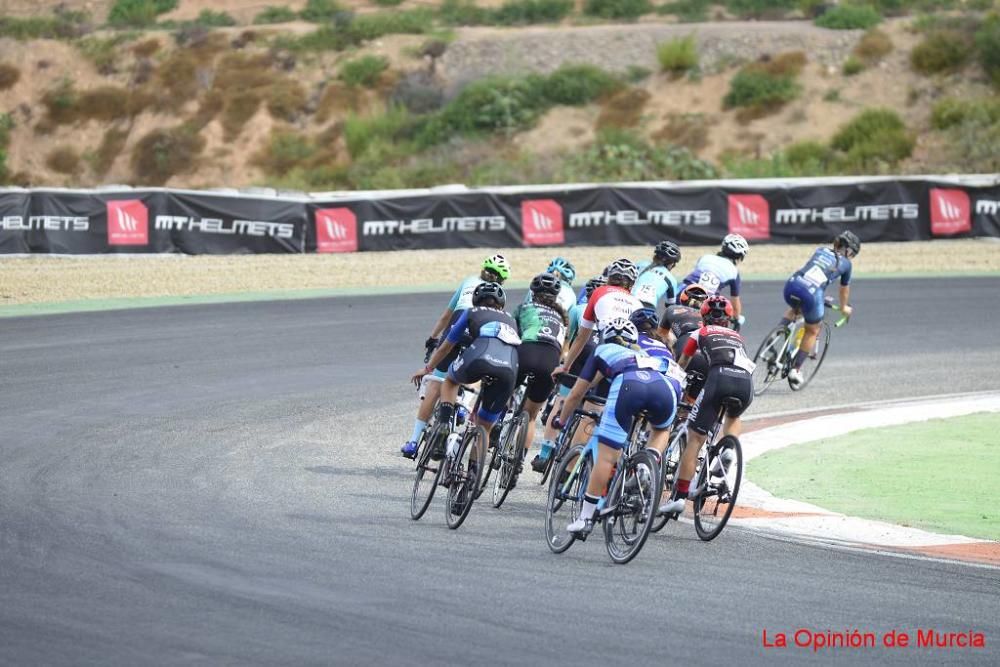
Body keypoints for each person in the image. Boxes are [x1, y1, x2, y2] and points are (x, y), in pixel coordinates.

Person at [556, 319, 683, 536]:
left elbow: (577, 393)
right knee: (661, 430)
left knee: (607, 457)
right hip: (668, 388)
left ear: (606, 336)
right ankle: (646, 464)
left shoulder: (602, 349)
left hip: (629, 385)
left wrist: (560, 421)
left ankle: (585, 518)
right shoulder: (644, 352)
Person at [401, 254, 511, 458]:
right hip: (481, 334)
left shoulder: (468, 281)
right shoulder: (500, 294)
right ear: (502, 279)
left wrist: (433, 337)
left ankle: (414, 441)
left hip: (457, 323)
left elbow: (446, 315)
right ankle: (464, 404)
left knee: (436, 382)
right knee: (478, 366)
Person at [410, 283, 520, 474]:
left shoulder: (470, 312)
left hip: (481, 357)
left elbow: (445, 346)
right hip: (509, 369)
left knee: (451, 380)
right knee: (483, 428)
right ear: (501, 304)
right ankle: (471, 477)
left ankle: (444, 424)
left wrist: (428, 368)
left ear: (476, 300)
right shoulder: (511, 320)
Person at [660, 295, 754, 517]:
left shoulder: (699, 332)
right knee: (732, 415)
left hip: (719, 379)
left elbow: (682, 364)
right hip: (745, 383)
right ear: (728, 320)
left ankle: (680, 497)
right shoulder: (738, 337)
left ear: (703, 317)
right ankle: (729, 448)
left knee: (695, 438)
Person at [532, 274, 605, 472]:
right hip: (600, 357)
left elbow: (566, 340)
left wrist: (563, 363)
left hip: (580, 355)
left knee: (562, 401)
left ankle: (545, 454)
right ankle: (571, 467)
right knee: (589, 413)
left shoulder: (577, 309)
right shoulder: (611, 312)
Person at [779, 231, 859, 388]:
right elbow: (844, 290)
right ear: (848, 251)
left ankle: (778, 339)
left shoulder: (820, 250)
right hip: (812, 293)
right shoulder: (847, 264)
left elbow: (815, 272)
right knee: (813, 330)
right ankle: (795, 370)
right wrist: (843, 307)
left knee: (795, 309)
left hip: (792, 284)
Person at [510, 273, 568, 478]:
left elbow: (512, 336)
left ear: (532, 292)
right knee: (532, 416)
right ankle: (518, 461)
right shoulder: (563, 317)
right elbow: (563, 351)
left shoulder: (524, 308)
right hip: (550, 362)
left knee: (501, 393)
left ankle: (498, 423)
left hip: (526, 352)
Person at [678, 234, 748, 328]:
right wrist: (736, 319)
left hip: (683, 292)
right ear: (739, 257)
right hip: (704, 300)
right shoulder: (734, 272)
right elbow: (735, 303)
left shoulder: (705, 257)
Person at [657, 284, 710, 405]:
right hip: (706, 358)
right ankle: (686, 417)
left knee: (667, 394)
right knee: (691, 405)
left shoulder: (672, 310)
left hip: (684, 349)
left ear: (683, 297)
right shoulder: (710, 317)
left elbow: (660, 337)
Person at [631, 241, 682, 310]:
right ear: (672, 264)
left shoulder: (641, 264)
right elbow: (670, 307)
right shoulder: (671, 279)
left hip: (630, 300)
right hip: (648, 306)